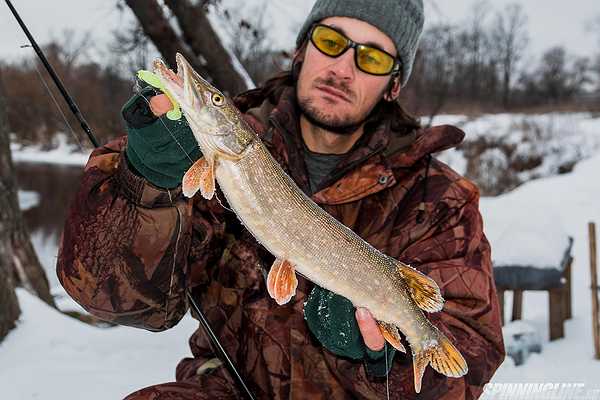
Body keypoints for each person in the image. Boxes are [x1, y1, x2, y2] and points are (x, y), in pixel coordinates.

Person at [57, 0, 505, 398]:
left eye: (370, 57)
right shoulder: (203, 150)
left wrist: (383, 361)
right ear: (300, 50)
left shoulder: (440, 199)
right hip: (226, 385)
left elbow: (469, 359)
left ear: (393, 84)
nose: (343, 68)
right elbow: (111, 299)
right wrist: (145, 180)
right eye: (331, 40)